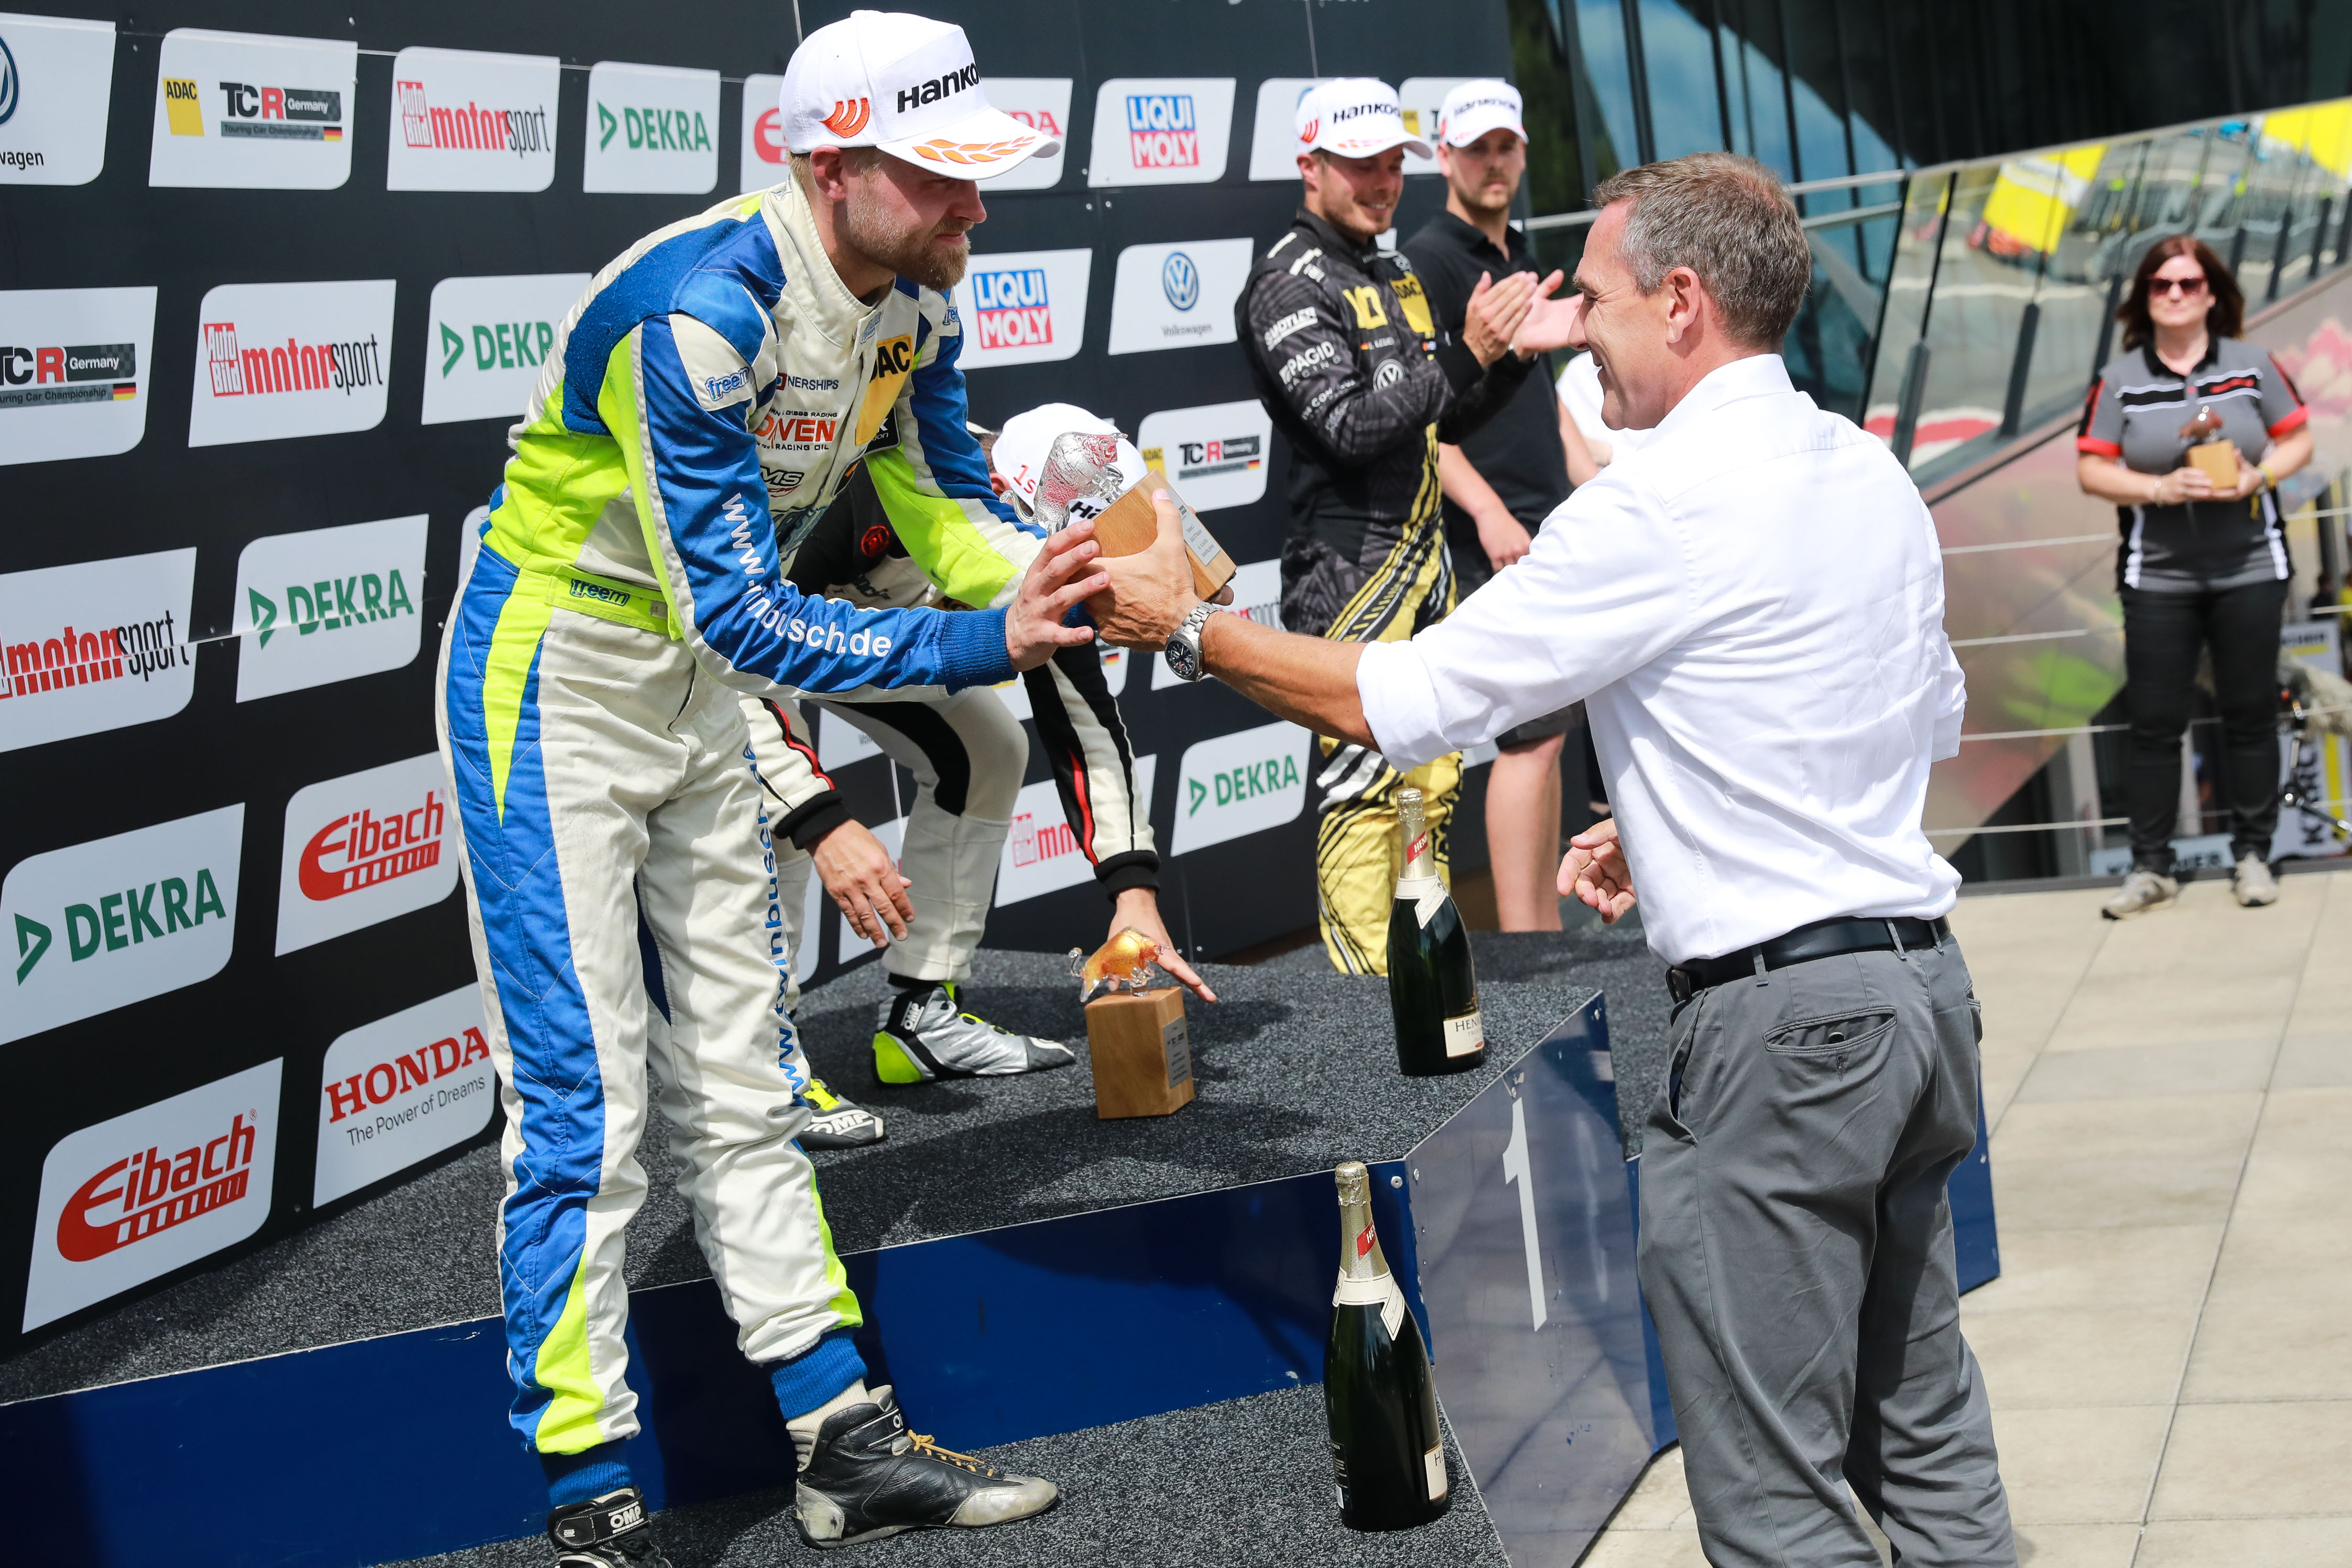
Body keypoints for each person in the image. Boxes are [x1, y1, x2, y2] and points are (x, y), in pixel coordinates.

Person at [1096, 151, 2017, 1567]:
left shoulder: (1657, 503)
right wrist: (1685, 817)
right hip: (1921, 1000)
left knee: (1778, 1497)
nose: (1573, 329)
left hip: (1784, 1040)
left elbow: (1400, 699)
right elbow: (1913, 715)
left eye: (1594, 298)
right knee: (1930, 1437)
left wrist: (1186, 625)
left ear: (1683, 301)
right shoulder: (1864, 469)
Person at [435, 14, 1113, 1561]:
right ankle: (587, 1488)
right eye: (940, 177)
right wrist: (984, 636)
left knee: (749, 1083)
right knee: (588, 1107)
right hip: (555, 678)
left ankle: (839, 1443)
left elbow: (939, 505)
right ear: (831, 166)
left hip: (692, 685)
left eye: (976, 175)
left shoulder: (916, 302)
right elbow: (740, 614)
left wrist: (1070, 582)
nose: (974, 209)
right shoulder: (700, 310)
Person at [738, 404, 1210, 1111]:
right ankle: (766, 1072)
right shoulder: (862, 491)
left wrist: (1132, 893)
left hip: (879, 639)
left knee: (987, 749)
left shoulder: (1042, 538)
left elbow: (1087, 726)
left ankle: (921, 1018)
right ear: (996, 496)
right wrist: (818, 818)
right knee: (773, 813)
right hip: (746, 643)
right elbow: (733, 651)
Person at [1236, 76, 1570, 972]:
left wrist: (1508, 362)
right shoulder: (1284, 283)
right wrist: (1472, 351)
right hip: (1347, 574)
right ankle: (1363, 1004)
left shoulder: (1389, 271)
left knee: (1432, 781)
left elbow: (1435, 423)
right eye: (1360, 167)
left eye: (1392, 165)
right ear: (1310, 166)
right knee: (1365, 792)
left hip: (1426, 566)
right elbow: (1349, 429)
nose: (1382, 184)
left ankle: (1423, 979)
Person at [2076, 235, 2312, 918]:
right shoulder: (2119, 379)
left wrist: (2259, 476)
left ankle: (2254, 856)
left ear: (2212, 294)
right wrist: (2159, 489)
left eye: (2188, 283)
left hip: (2251, 566)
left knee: (2249, 713)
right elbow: (2092, 468)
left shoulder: (2253, 365)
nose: (2175, 294)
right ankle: (2151, 868)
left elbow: (2298, 438)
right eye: (2161, 284)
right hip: (2158, 576)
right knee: (2154, 722)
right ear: (2144, 297)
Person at [1402, 80, 1578, 933]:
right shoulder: (1428, 261)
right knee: (1528, 738)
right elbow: (1418, 418)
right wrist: (1486, 512)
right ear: (1445, 156)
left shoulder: (1519, 255)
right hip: (1493, 533)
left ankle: (1542, 927)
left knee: (1549, 735)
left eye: (1507, 146)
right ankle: (1523, 937)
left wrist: (1588, 478)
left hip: (1548, 520)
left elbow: (1540, 399)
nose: (1495, 163)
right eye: (1478, 149)